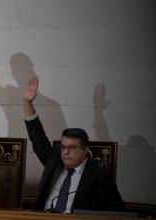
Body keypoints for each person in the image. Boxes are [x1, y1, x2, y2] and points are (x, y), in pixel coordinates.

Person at [23, 75, 124, 213]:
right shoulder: (54, 160)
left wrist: (98, 114)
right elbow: (37, 137)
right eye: (63, 147)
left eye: (71, 148)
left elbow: (116, 210)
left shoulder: (99, 175)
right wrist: (27, 103)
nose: (65, 152)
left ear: (84, 150)